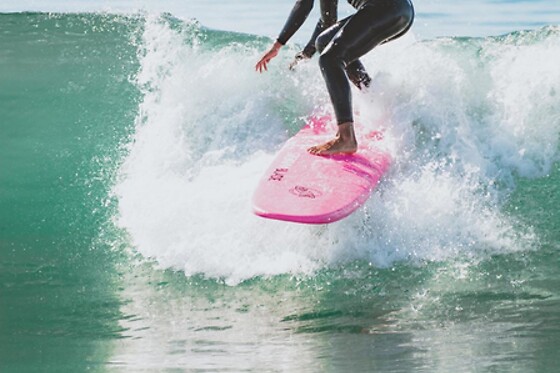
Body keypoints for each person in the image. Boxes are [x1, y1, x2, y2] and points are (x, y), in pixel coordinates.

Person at [256, 0, 414, 155]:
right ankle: (372, 98)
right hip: (398, 10)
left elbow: (305, 6)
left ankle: (346, 137)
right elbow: (327, 25)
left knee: (330, 59)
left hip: (386, 9)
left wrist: (278, 46)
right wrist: (305, 54)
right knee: (325, 43)